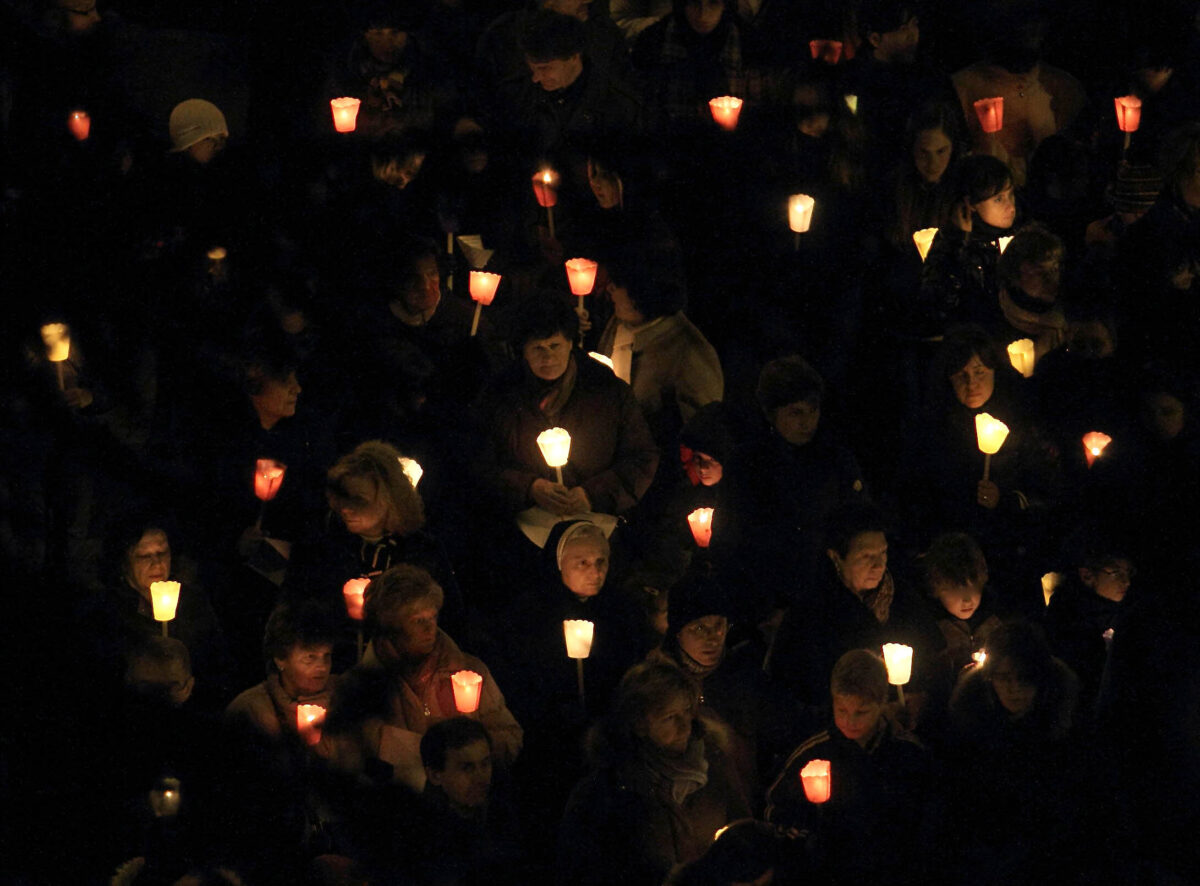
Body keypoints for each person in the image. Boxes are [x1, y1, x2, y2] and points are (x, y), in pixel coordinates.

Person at [325, 564, 521, 791]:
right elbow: (345, 765)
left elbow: (511, 737)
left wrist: (475, 747)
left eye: (433, 616)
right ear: (392, 626)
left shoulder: (468, 671)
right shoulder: (359, 687)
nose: (431, 628)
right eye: (419, 620)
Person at [557, 658, 751, 885]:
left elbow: (743, 833)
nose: (684, 725)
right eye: (669, 717)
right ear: (639, 724)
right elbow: (582, 871)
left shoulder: (714, 769)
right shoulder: (605, 792)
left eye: (687, 711)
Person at [478, 292, 659, 520]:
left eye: (555, 346)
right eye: (538, 349)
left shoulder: (607, 391)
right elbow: (480, 462)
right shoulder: (500, 394)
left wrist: (591, 494)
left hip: (596, 521)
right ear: (523, 350)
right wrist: (529, 488)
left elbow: (642, 457)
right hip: (525, 523)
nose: (548, 358)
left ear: (570, 343)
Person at [764, 649, 932, 885]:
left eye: (861, 712)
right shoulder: (814, 754)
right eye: (841, 710)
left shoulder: (908, 753)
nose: (849, 721)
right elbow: (777, 807)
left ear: (882, 704)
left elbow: (927, 819)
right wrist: (803, 835)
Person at [285, 439, 465, 638]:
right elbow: (294, 616)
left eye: (359, 499)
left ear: (390, 499)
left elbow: (451, 621)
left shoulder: (423, 552)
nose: (346, 508)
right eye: (343, 496)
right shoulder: (321, 546)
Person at [945, 621, 1082, 882]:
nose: (1014, 688)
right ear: (990, 676)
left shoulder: (1064, 726)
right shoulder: (971, 722)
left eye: (1025, 677)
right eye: (1004, 677)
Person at [767, 501, 938, 708]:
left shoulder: (902, 597)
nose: (878, 565)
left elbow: (932, 652)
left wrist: (919, 697)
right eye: (866, 556)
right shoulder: (811, 612)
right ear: (836, 557)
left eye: (882, 553)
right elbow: (797, 687)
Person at [917, 154, 1017, 336]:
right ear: (970, 204)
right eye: (998, 199)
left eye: (1010, 194)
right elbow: (935, 306)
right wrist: (956, 241)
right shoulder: (954, 243)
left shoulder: (1023, 229)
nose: (1010, 206)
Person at [225, 602, 338, 745]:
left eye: (327, 655)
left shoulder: (344, 696)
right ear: (280, 658)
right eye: (310, 657)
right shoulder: (250, 711)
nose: (322, 667)